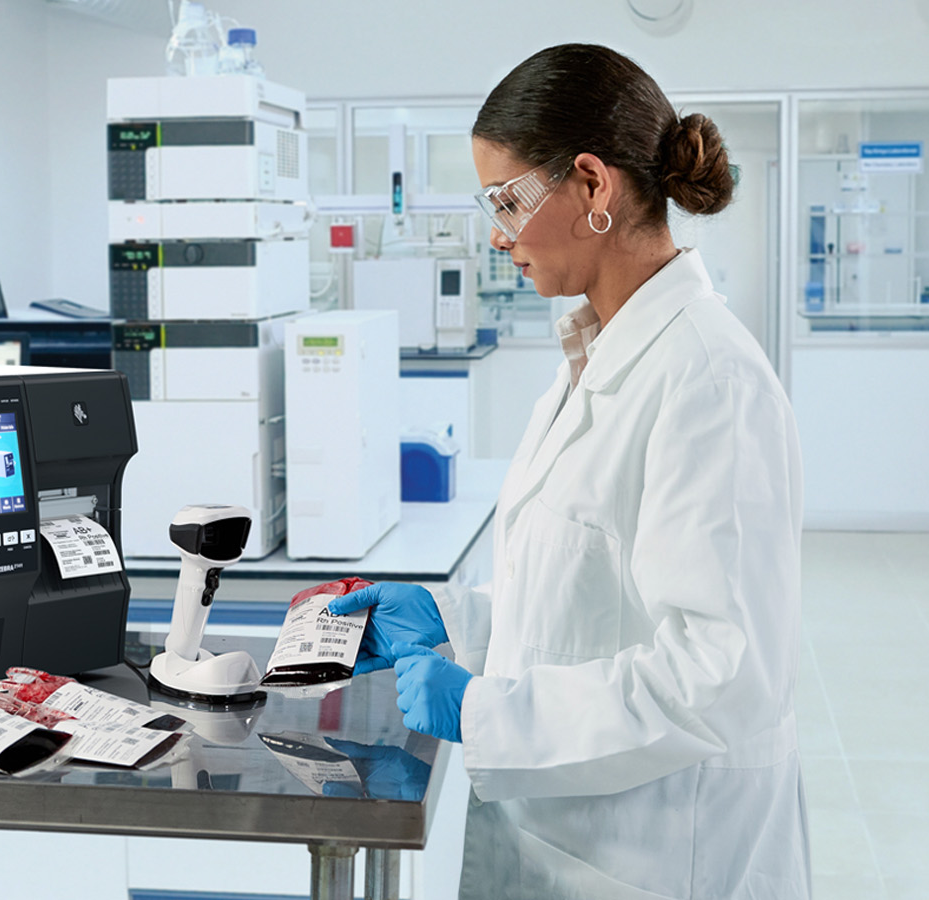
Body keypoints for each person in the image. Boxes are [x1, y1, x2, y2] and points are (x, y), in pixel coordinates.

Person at [328, 43, 808, 900]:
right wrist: (448, 619)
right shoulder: (594, 353)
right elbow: (583, 603)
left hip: (659, 861)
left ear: (593, 185)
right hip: (569, 846)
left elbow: (717, 676)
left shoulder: (709, 379)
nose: (499, 233)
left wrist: (486, 712)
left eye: (508, 200)